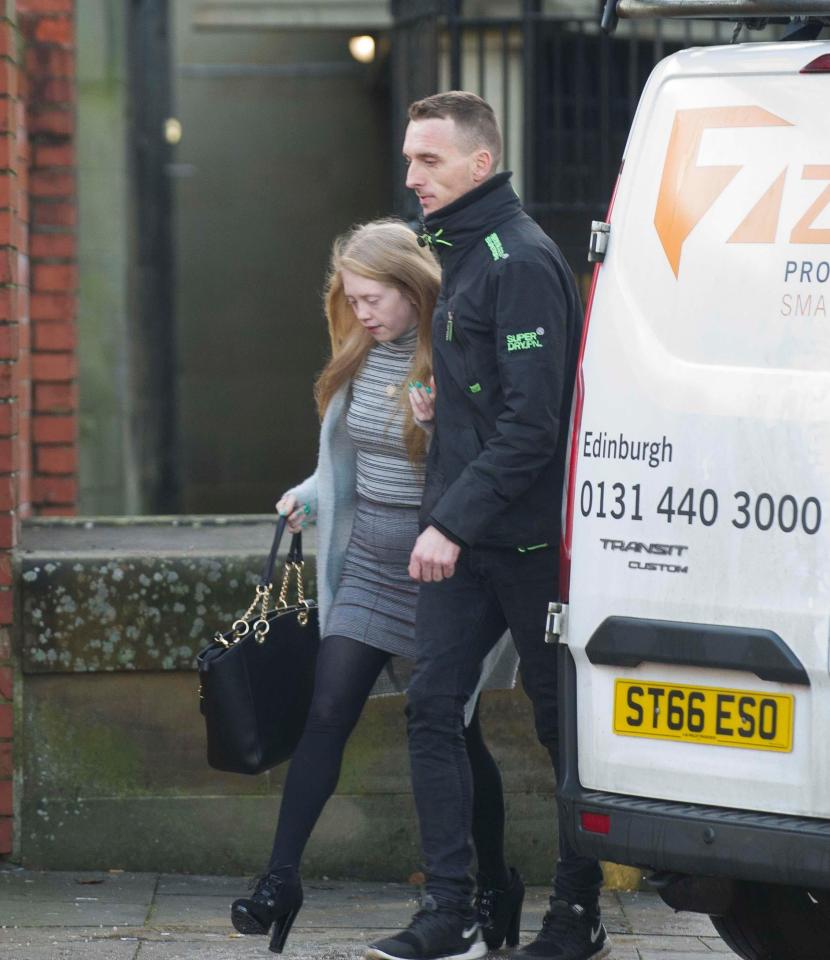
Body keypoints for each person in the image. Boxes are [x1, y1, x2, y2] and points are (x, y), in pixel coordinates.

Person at [229, 219, 520, 955]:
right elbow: (351, 462)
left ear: (412, 286)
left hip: (441, 570)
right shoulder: (362, 355)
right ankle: (279, 881)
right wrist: (310, 494)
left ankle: (494, 884)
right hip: (367, 564)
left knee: (458, 731)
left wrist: (444, 420)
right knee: (327, 710)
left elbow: (493, 457)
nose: (361, 313)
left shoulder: (451, 353)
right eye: (351, 299)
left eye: (373, 299)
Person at [366, 94, 606, 960]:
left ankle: (577, 915)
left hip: (528, 548)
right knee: (431, 709)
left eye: (428, 161)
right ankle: (454, 914)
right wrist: (440, 421)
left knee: (560, 731)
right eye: (407, 160)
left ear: (479, 163)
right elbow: (492, 404)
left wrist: (449, 523)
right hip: (464, 539)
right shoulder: (453, 252)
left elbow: (535, 427)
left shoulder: (519, 259)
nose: (412, 177)